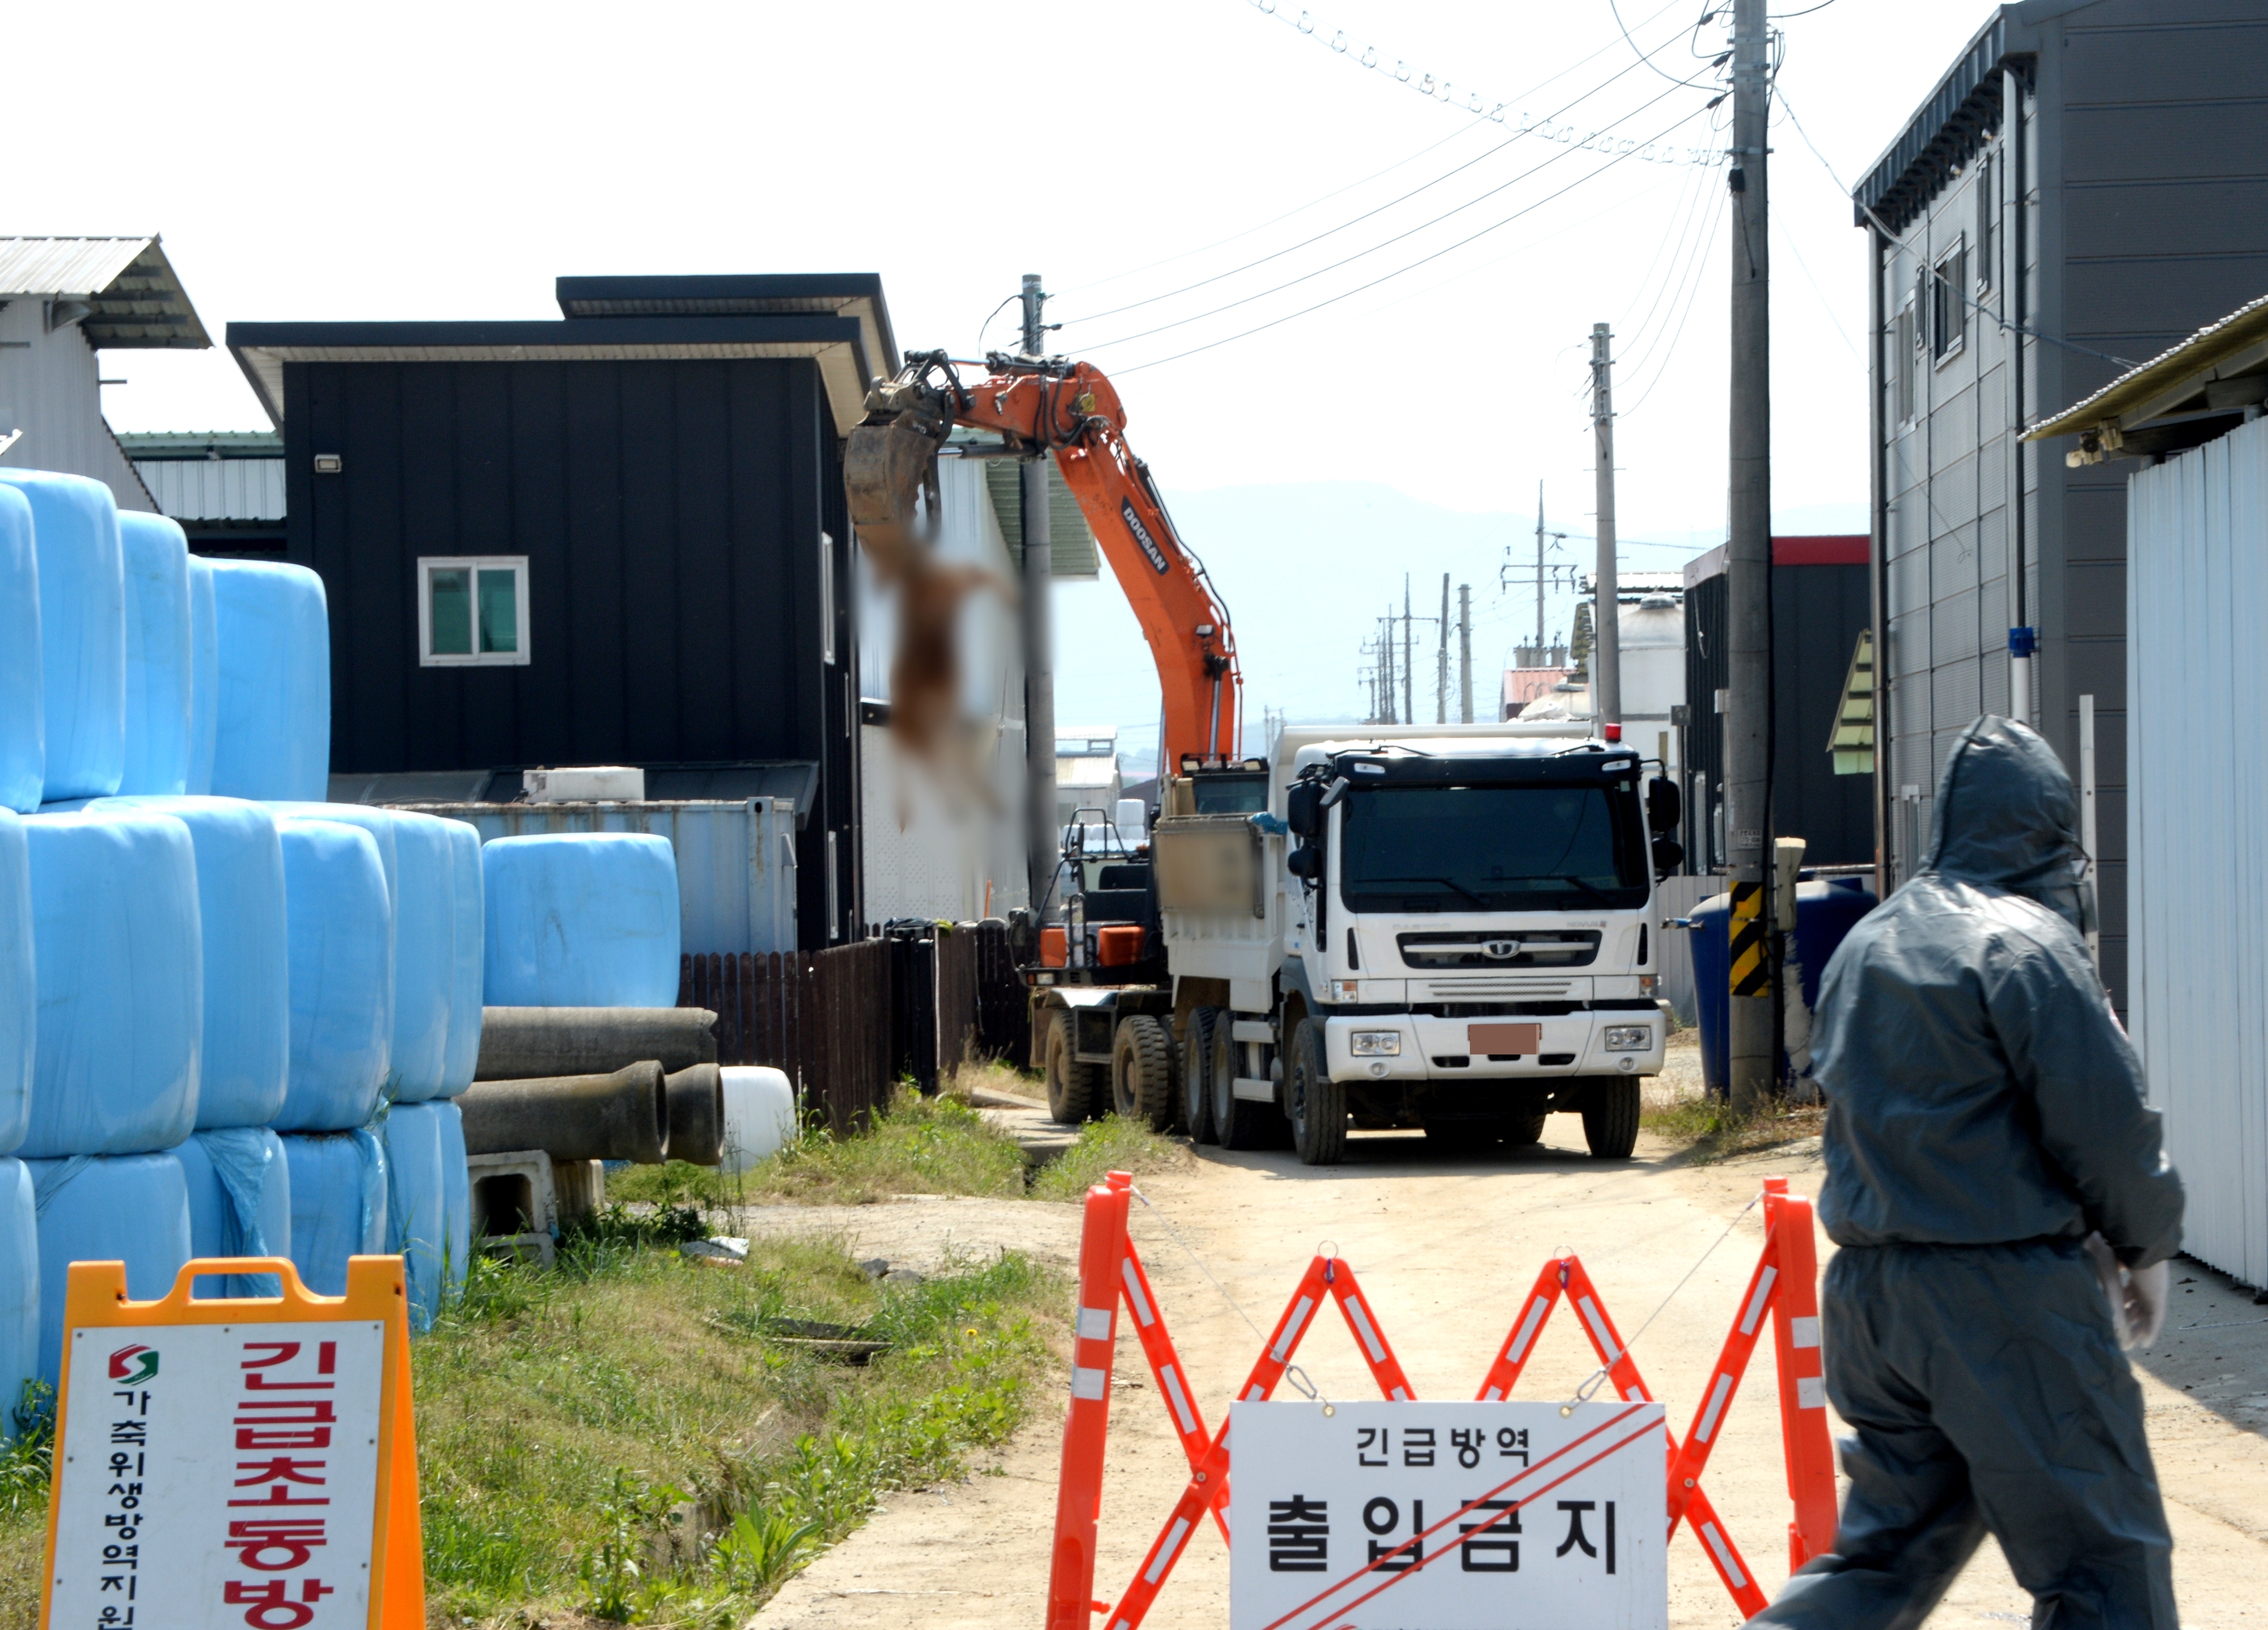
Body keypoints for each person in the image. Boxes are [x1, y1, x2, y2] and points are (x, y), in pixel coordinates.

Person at [1749, 715, 2185, 1630]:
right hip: (2004, 1299)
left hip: (1871, 1297)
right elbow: (2104, 1122)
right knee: (2104, 1563)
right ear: (2048, 828)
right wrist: (2146, 1244)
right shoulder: (2026, 942)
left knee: (1882, 1556)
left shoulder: (1870, 944)